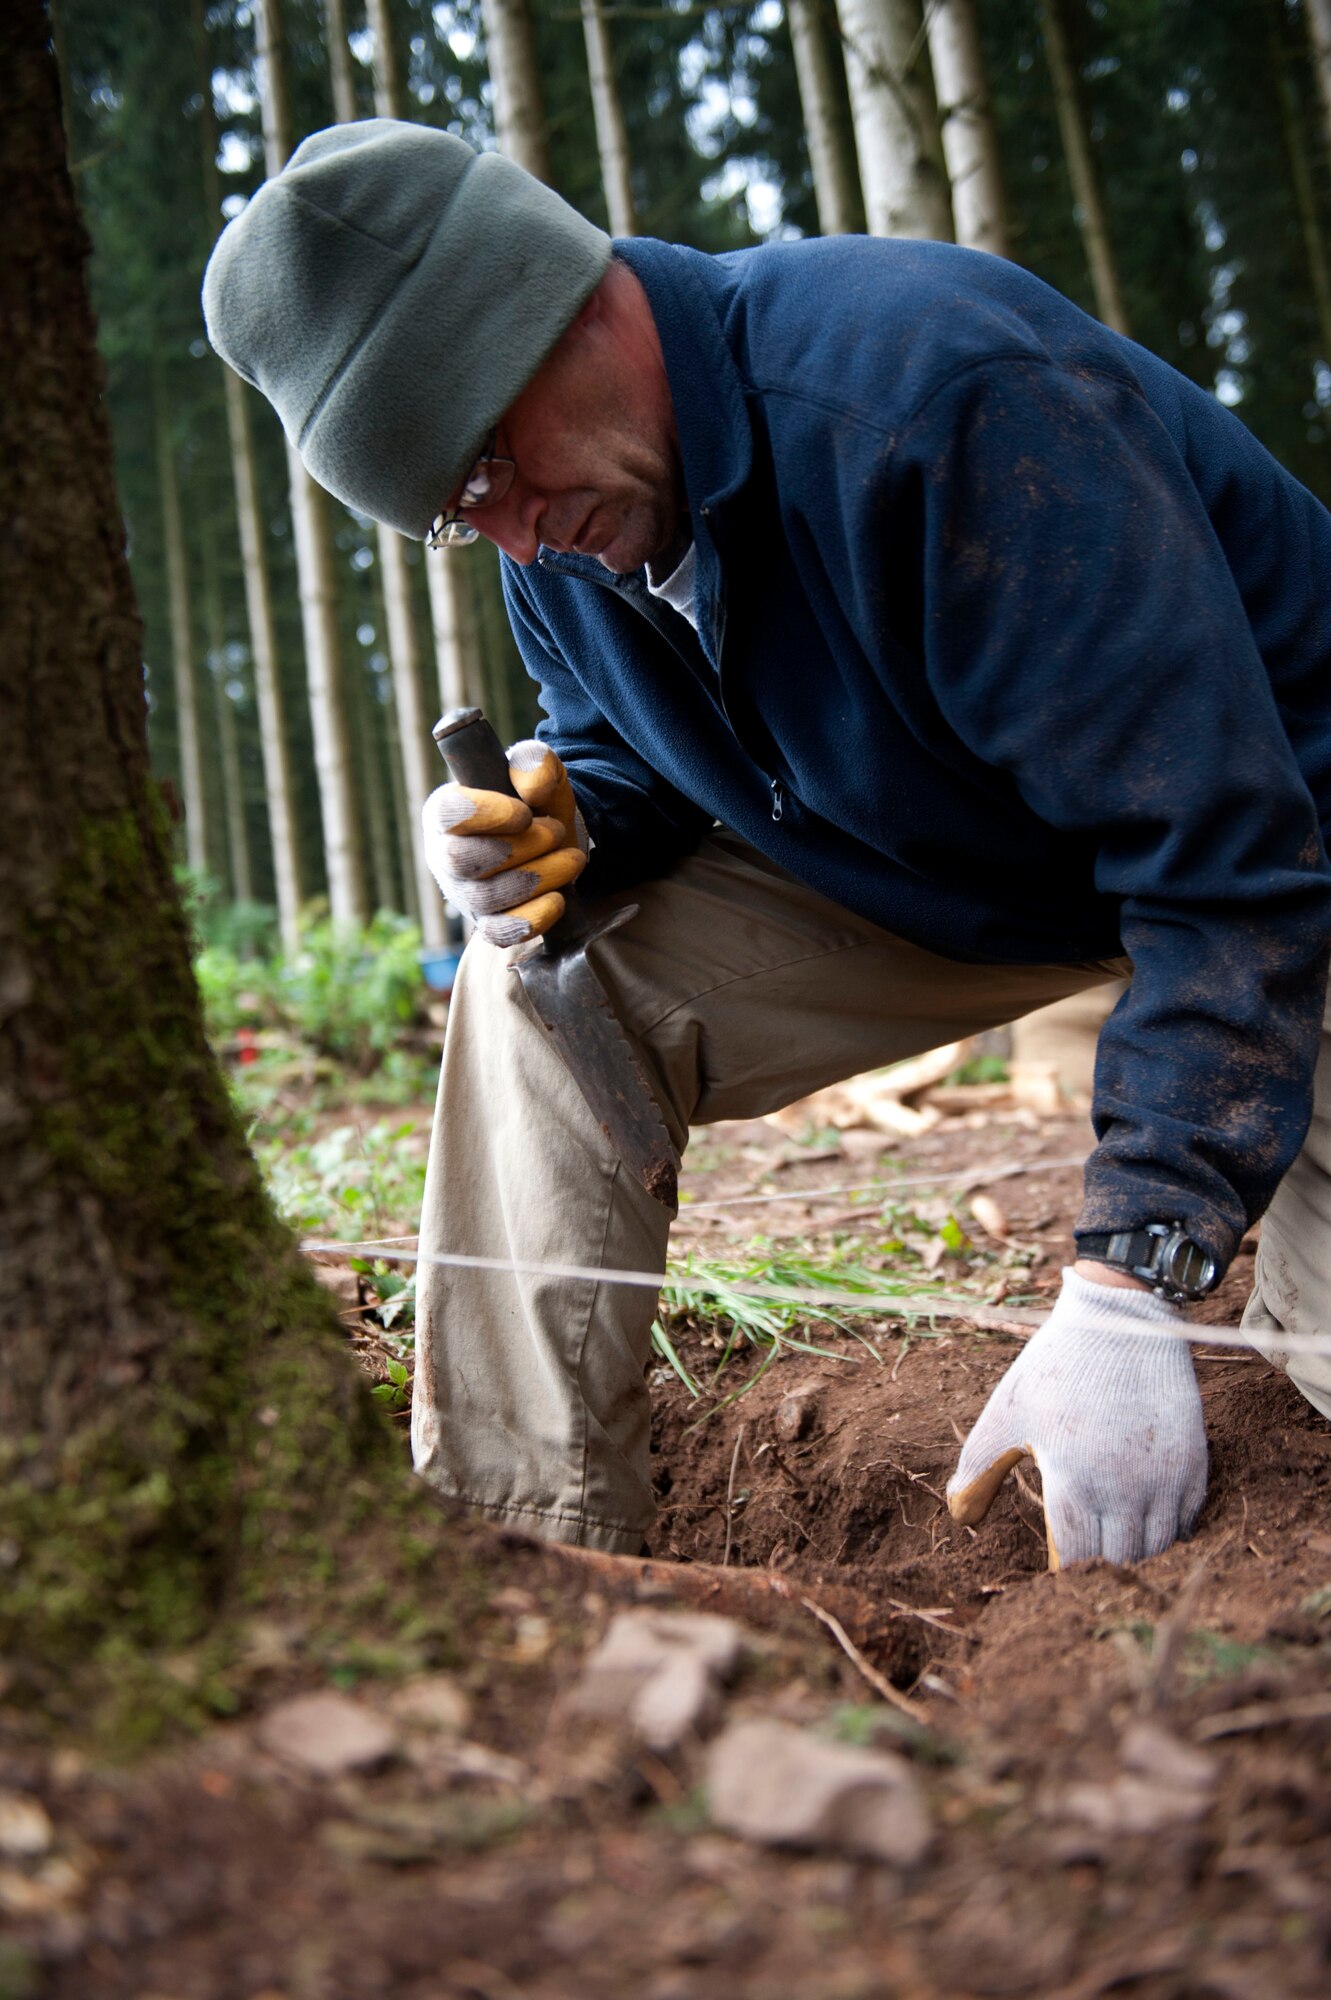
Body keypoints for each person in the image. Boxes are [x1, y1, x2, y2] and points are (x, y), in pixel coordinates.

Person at [204, 118, 1331, 1568]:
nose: (518, 540)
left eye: (490, 461)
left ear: (557, 298)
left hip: (1290, 873)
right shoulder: (570, 525)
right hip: (974, 880)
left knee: (1311, 1374)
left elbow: (1229, 855)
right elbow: (639, 749)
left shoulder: (931, 399)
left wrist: (1130, 1283)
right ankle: (529, 1547)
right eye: (453, 516)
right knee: (550, 974)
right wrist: (569, 815)